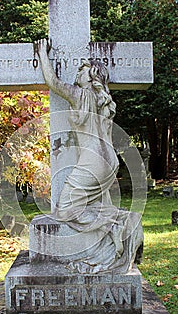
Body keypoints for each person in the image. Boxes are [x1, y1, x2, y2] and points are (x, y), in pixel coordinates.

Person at [34, 39, 143, 273]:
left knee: (65, 210)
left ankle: (118, 225)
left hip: (93, 160)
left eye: (82, 70)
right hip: (109, 160)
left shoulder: (81, 95)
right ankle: (115, 225)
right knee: (93, 204)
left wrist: (42, 53)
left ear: (92, 77)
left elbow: (52, 81)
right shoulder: (102, 100)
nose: (78, 73)